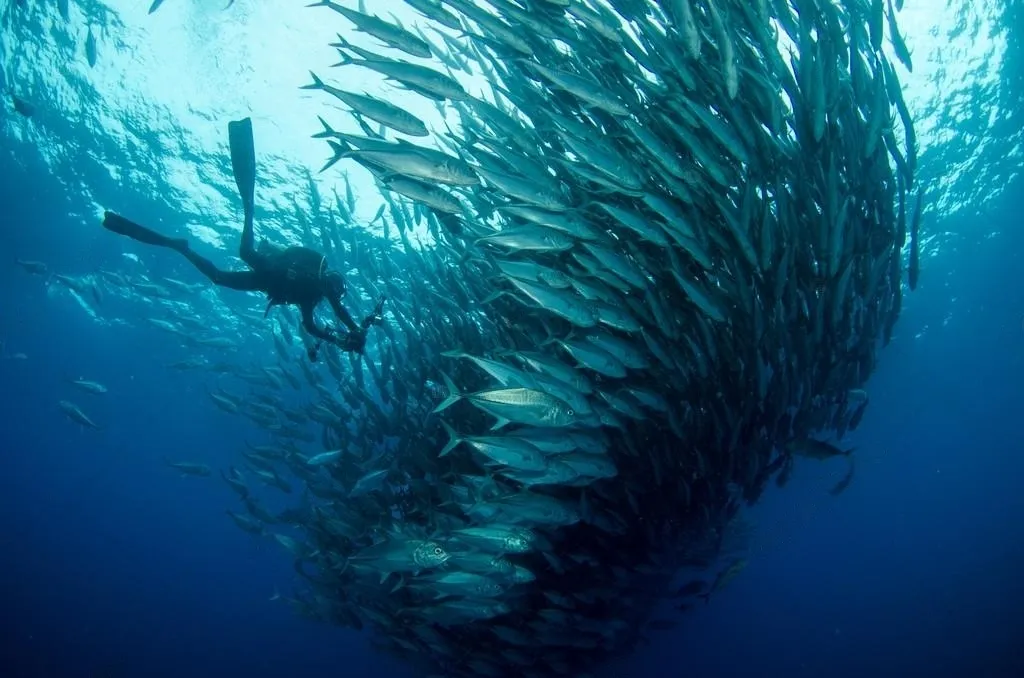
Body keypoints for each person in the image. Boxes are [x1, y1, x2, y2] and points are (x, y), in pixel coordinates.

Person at [102, 117, 383, 358]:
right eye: (334, 287)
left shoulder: (313, 297)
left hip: (263, 283)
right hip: (271, 268)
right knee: (245, 252)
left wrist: (336, 339)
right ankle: (248, 206)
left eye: (334, 290)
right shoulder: (320, 274)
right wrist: (354, 328)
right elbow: (337, 306)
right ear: (332, 280)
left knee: (218, 278)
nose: (332, 291)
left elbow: (309, 326)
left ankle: (180, 247)